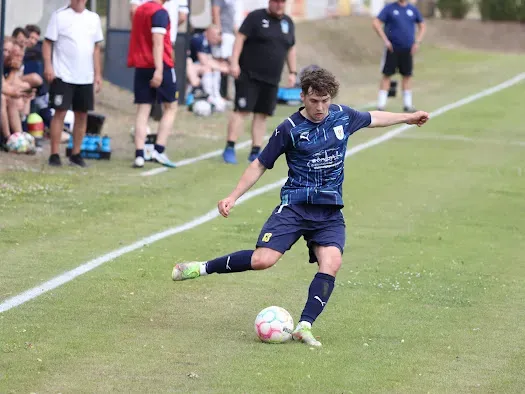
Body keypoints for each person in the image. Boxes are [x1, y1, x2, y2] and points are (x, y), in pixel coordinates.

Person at [172, 68, 430, 347]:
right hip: (295, 206)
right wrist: (233, 196)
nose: (320, 107)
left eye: (325, 100)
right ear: (303, 96)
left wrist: (408, 117)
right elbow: (260, 163)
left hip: (329, 210)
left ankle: (304, 326)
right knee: (263, 260)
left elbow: (373, 117)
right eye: (314, 101)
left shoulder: (342, 115)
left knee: (332, 262)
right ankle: (201, 268)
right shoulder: (289, 129)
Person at [223, 0, 297, 165]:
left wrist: (292, 72)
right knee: (242, 111)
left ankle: (255, 150)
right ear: (270, 2)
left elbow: (290, 48)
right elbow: (240, 38)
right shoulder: (256, 17)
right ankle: (229, 147)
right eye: (276, 2)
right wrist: (234, 62)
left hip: (272, 79)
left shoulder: (288, 22)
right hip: (249, 76)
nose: (279, 5)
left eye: (282, 2)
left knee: (262, 114)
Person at [43, 0, 104, 167]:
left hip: (85, 76)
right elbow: (48, 43)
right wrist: (48, 66)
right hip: (63, 74)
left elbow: (96, 48)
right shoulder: (59, 16)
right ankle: (54, 154)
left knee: (82, 115)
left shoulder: (93, 18)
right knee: (60, 112)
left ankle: (76, 154)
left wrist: (97, 74)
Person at [128, 0, 179, 168]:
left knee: (143, 109)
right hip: (159, 65)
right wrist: (158, 69)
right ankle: (159, 149)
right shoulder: (159, 12)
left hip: (141, 66)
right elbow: (157, 41)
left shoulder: (139, 10)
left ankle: (139, 154)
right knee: (171, 107)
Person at [373, 0, 426, 112]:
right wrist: (386, 40)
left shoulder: (412, 9)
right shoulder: (389, 8)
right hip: (392, 49)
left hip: (407, 49)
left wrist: (417, 42)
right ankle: (381, 105)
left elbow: (422, 25)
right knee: (387, 75)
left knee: (407, 75)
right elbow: (376, 23)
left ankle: (407, 105)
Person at [188, 25, 229, 110]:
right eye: (216, 35)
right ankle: (209, 95)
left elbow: (209, 59)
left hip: (196, 65)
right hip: (189, 66)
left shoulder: (208, 43)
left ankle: (216, 95)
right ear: (209, 33)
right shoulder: (199, 39)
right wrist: (222, 68)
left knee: (214, 68)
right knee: (208, 69)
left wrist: (221, 66)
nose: (217, 38)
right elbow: (204, 60)